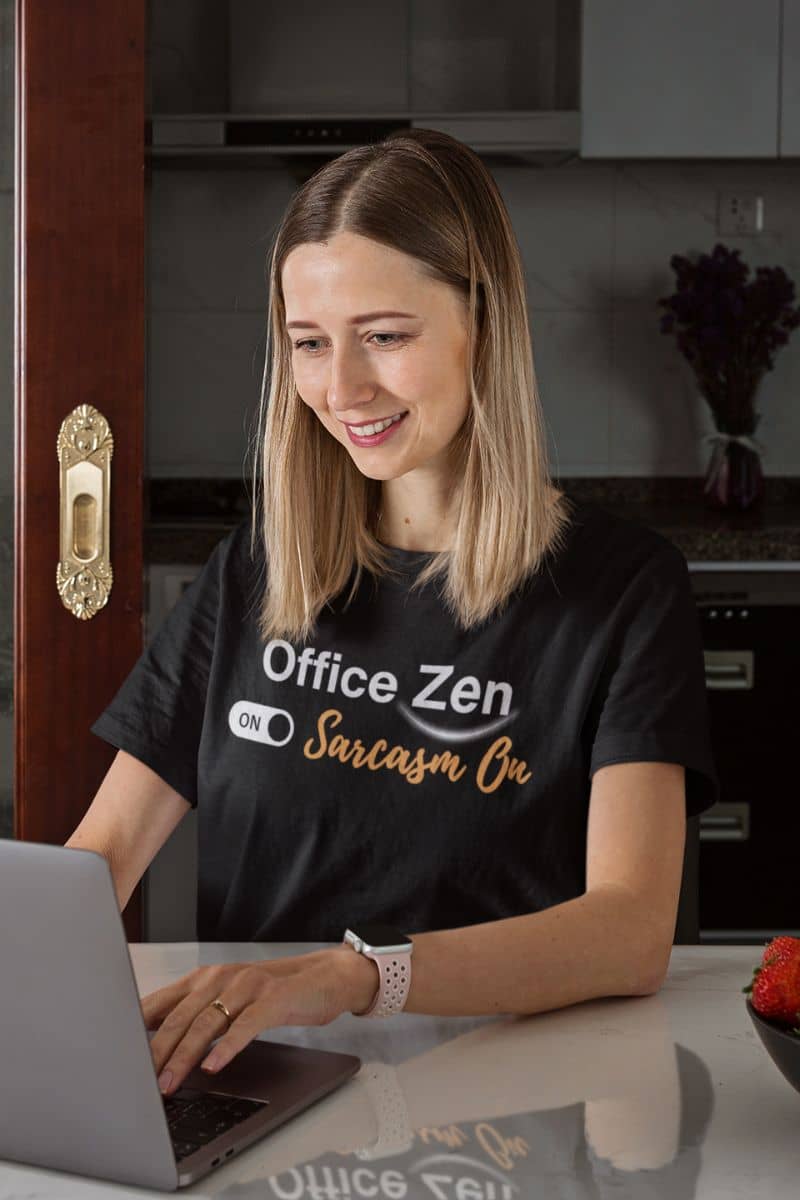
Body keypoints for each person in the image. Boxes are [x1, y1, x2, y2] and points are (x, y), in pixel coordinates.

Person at [65, 129, 719, 1098]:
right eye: (308, 344)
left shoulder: (621, 589)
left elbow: (628, 931)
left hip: (502, 1099)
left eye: (384, 335)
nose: (341, 389)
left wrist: (353, 976)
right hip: (256, 1093)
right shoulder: (250, 575)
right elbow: (95, 865)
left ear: (482, 326)